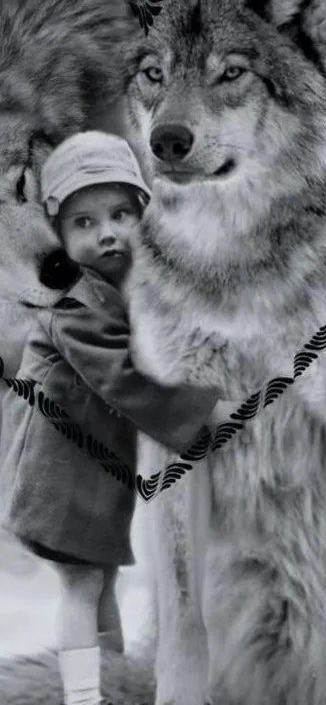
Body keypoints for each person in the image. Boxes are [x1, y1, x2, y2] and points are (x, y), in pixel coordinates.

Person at [0, 131, 223, 705]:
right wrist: (201, 412)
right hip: (57, 473)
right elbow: (120, 381)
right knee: (82, 589)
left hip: (93, 471)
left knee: (102, 589)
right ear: (58, 233)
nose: (106, 232)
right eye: (83, 222)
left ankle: (112, 684)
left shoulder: (126, 284)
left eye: (121, 213)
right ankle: (84, 698)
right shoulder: (72, 302)